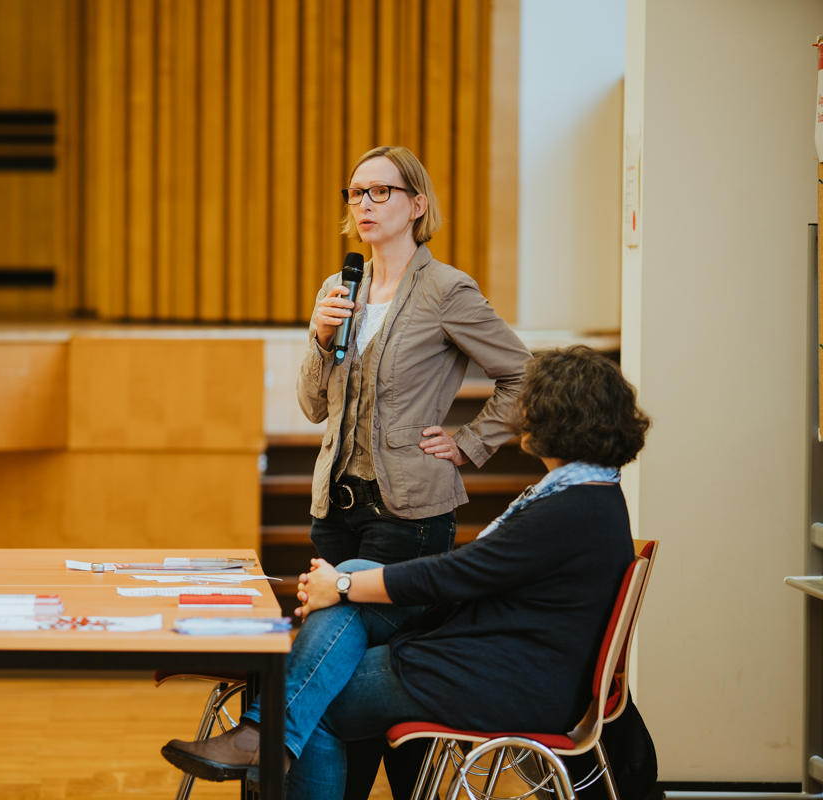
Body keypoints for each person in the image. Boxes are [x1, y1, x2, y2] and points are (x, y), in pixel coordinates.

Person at [162, 345, 652, 800]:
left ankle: (264, 732)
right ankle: (261, 733)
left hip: (503, 680)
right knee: (350, 582)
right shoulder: (588, 497)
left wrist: (345, 585)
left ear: (554, 418)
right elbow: (471, 576)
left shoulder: (570, 508)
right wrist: (347, 582)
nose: (523, 414)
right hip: (504, 663)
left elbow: (460, 574)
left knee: (317, 705)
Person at [299, 144, 532, 788]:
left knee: (384, 675)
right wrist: (319, 339)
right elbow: (313, 404)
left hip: (408, 517)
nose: (366, 204)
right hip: (335, 514)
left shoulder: (446, 290)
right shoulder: (337, 288)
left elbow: (523, 375)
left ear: (417, 204)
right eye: (356, 193)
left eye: (382, 192)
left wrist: (470, 443)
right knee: (346, 676)